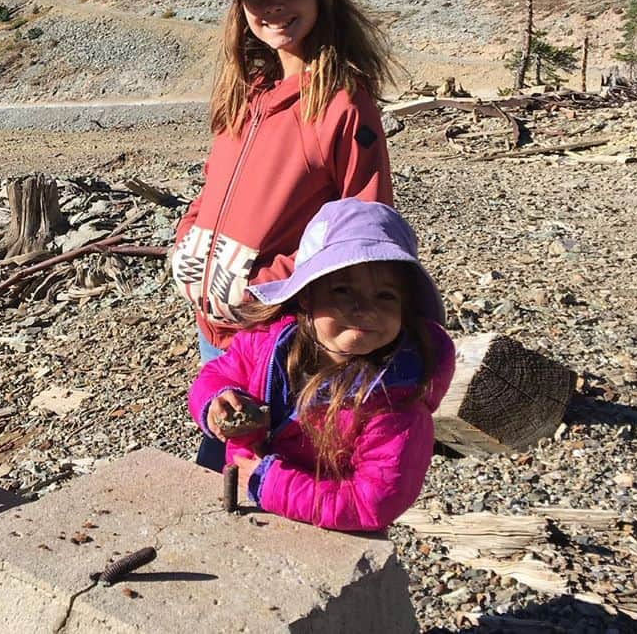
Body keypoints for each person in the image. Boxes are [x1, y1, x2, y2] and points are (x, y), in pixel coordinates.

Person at [171, 0, 396, 469]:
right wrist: (186, 244)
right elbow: (213, 188)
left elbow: (364, 231)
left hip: (276, 331)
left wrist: (268, 286)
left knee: (260, 465)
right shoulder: (248, 91)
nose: (273, 8)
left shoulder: (343, 103)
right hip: (216, 322)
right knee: (225, 449)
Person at [187, 199, 455, 531]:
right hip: (240, 491)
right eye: (343, 290)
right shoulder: (267, 342)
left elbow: (372, 503)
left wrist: (269, 483)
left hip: (323, 530)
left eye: (386, 296)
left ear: (406, 307)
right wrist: (216, 399)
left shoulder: (396, 402)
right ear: (305, 295)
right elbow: (216, 374)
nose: (365, 310)